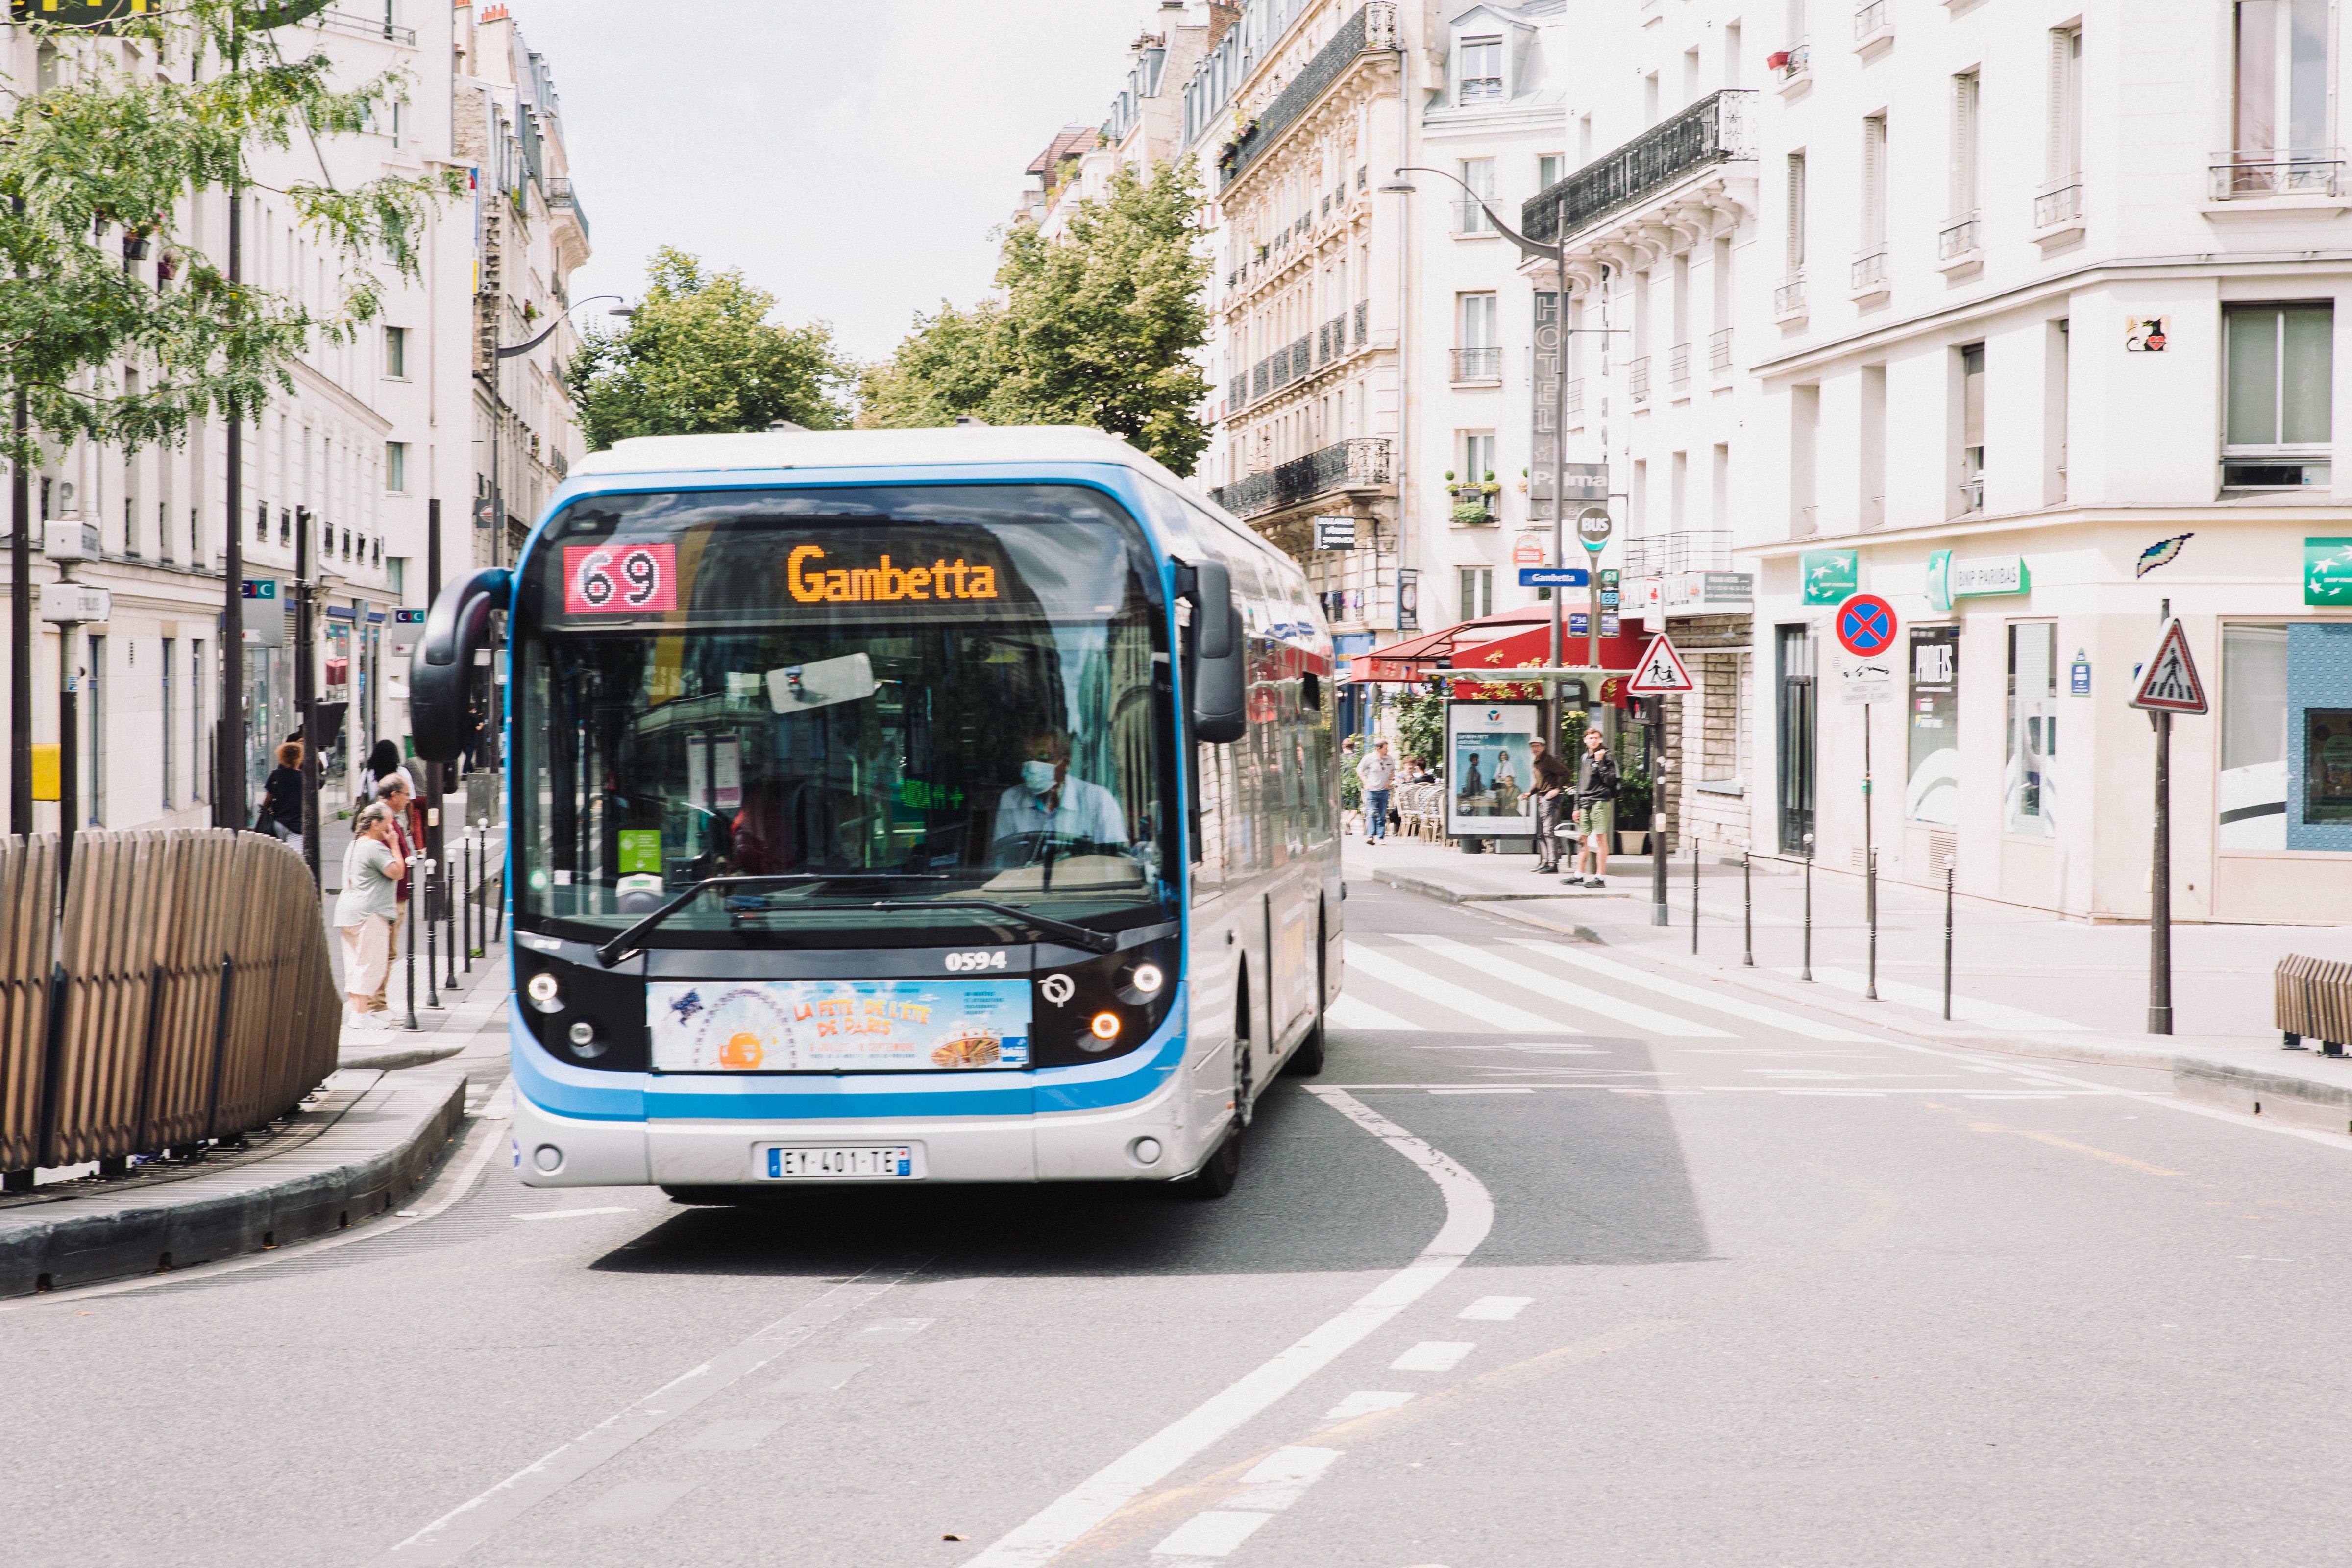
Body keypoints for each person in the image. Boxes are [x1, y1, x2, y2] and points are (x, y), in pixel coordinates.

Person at [992, 727, 1127, 858]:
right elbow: (1004, 859)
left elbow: (1114, 860)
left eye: (1043, 757)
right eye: (1029, 758)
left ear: (1066, 762)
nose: (1033, 765)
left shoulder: (1098, 800)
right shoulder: (1012, 800)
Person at [336, 802, 406, 1030]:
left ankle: (361, 1012)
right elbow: (397, 871)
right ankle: (360, 1015)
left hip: (349, 911)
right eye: (388, 824)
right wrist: (395, 845)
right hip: (370, 913)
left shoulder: (354, 845)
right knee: (370, 965)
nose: (391, 829)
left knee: (355, 964)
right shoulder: (375, 848)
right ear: (375, 825)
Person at [368, 774, 422, 1013]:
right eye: (405, 794)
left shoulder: (388, 817)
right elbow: (379, 859)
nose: (409, 799)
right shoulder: (380, 819)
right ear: (393, 795)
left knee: (387, 953)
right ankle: (375, 1005)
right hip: (387, 896)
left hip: (394, 895)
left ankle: (377, 1003)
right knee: (383, 953)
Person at [1568, 725, 1620, 888]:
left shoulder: (1607, 756)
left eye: (1596, 738)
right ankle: (1579, 875)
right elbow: (1580, 784)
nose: (1594, 741)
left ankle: (1600, 877)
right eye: (1590, 738)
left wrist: (1599, 763)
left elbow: (1610, 780)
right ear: (1585, 741)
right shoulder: (1585, 758)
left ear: (1601, 740)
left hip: (1600, 802)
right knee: (1582, 839)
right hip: (1585, 803)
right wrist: (1576, 806)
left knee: (1600, 839)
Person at [1528, 737, 1572, 873]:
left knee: (1548, 831)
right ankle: (1545, 862)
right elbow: (1541, 782)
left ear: (1544, 747)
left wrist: (1557, 789)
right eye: (1533, 746)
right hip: (1543, 797)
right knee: (1541, 833)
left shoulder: (1549, 760)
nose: (1535, 748)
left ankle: (1553, 864)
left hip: (1550, 798)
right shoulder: (1537, 762)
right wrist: (1529, 793)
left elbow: (1565, 773)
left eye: (1538, 746)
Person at [258, 741, 304, 843]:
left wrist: (263, 812)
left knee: (280, 854)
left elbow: (268, 799)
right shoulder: (304, 778)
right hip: (297, 824)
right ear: (300, 757)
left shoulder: (276, 775)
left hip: (278, 822)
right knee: (296, 856)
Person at [1356, 739, 1396, 843]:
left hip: (1384, 790)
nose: (1387, 750)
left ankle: (1381, 837)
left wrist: (1390, 781)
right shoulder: (1369, 758)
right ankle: (1370, 836)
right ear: (1379, 749)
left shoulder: (1389, 759)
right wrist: (1365, 782)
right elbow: (1359, 770)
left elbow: (1393, 771)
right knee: (1371, 812)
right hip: (1371, 790)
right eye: (1385, 748)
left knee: (1382, 815)